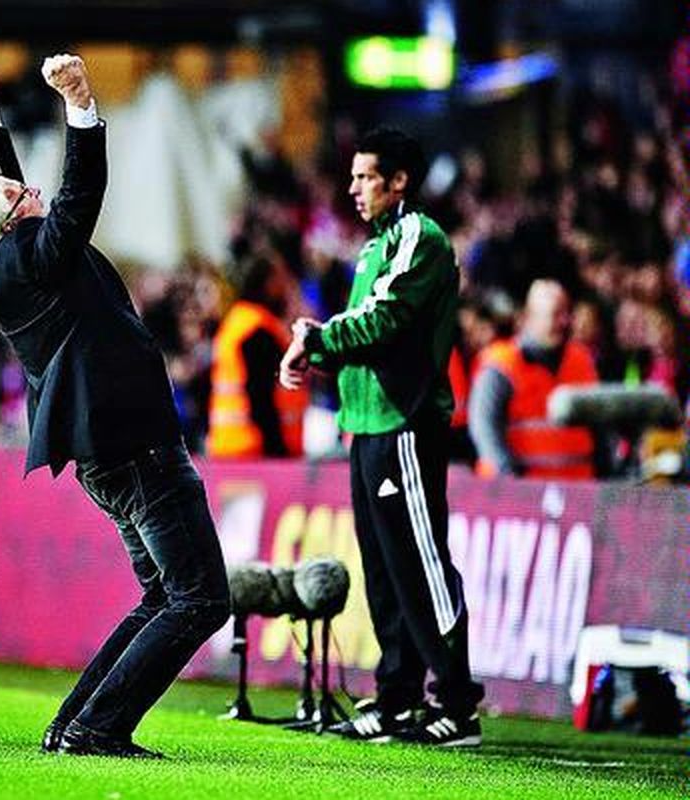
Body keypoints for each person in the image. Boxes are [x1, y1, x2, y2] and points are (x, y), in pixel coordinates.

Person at [0, 54, 229, 759]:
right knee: (198, 599)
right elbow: (80, 191)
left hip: (104, 453)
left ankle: (74, 725)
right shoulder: (39, 255)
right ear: (12, 223)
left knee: (162, 597)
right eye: (21, 195)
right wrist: (79, 103)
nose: (30, 189)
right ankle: (97, 728)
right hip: (136, 445)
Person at [280, 127, 484, 746]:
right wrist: (318, 349)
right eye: (353, 176)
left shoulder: (421, 237)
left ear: (399, 182)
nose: (354, 188)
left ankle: (457, 705)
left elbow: (385, 320)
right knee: (386, 571)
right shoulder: (373, 249)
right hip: (367, 426)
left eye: (366, 176)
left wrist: (317, 338)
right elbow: (362, 332)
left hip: (406, 424)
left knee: (422, 566)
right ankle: (397, 699)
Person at [469, 279, 598, 480]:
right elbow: (485, 429)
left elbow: (599, 429)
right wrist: (509, 479)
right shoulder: (501, 366)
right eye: (555, 314)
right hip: (519, 492)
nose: (564, 322)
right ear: (529, 318)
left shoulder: (581, 361)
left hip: (578, 489)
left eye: (567, 313)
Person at [206, 255, 307, 458]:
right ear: (268, 283)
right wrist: (278, 452)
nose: (286, 287)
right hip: (256, 453)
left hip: (231, 449)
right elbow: (261, 398)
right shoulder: (257, 330)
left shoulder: (237, 322)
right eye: (281, 279)